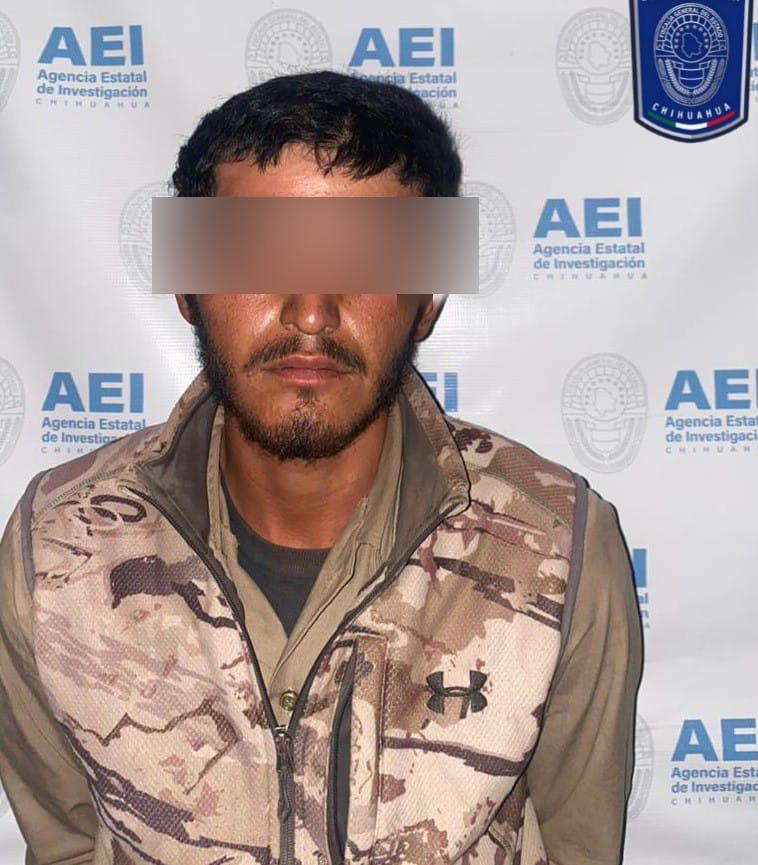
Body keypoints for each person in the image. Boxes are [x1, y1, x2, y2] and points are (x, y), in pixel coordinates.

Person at [0, 70, 642, 865]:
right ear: (188, 286)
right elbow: (63, 842)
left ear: (427, 296)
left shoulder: (555, 548)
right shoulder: (58, 550)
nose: (311, 311)